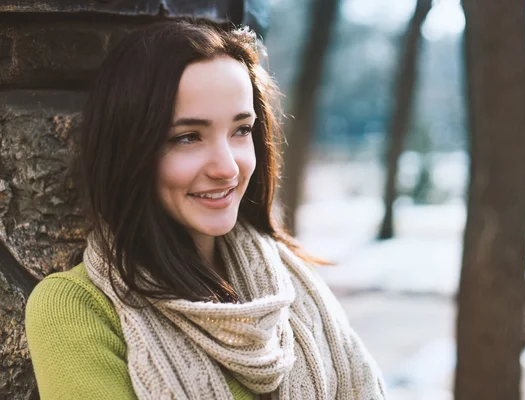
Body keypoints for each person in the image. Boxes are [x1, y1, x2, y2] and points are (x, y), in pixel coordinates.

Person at [25, 20, 386, 400]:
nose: (228, 167)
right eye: (187, 137)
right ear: (129, 151)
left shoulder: (290, 284)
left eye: (241, 130)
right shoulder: (76, 310)